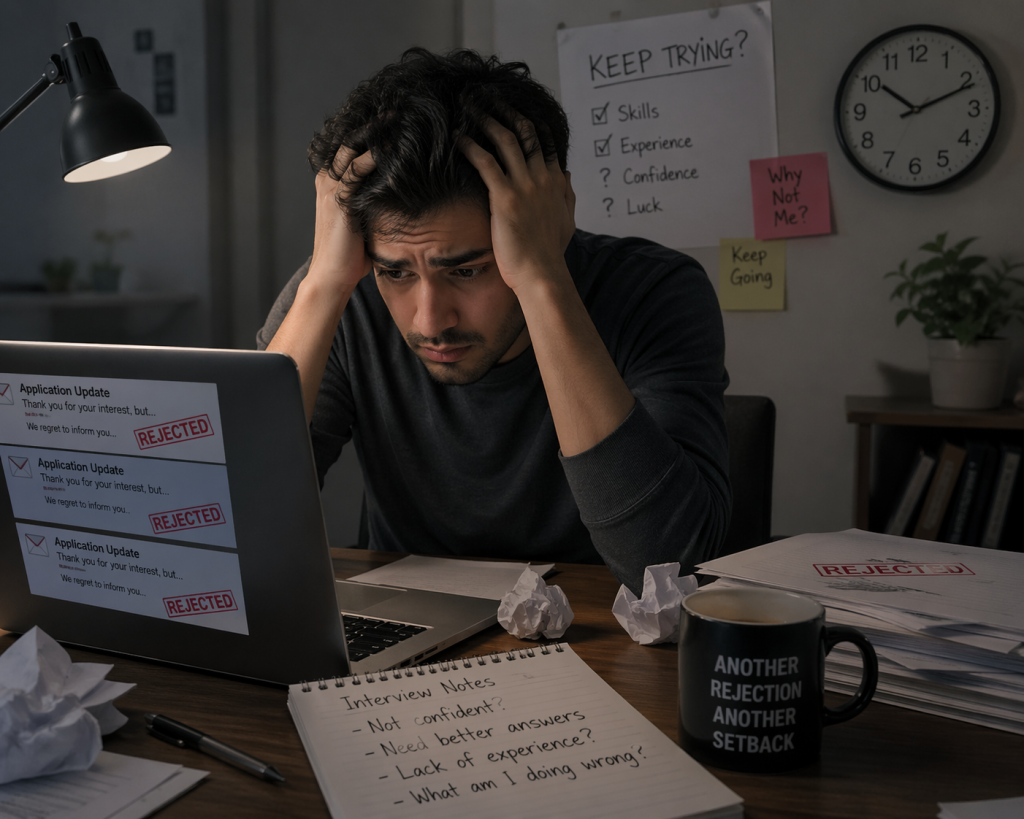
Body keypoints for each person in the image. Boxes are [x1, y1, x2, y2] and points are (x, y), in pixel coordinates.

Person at [257, 48, 730, 595]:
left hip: (605, 644)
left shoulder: (655, 292)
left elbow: (670, 570)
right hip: (408, 636)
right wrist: (321, 287)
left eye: (466, 270)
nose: (430, 320)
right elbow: (230, 527)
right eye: (398, 273)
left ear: (547, 218)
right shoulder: (342, 293)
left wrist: (542, 280)